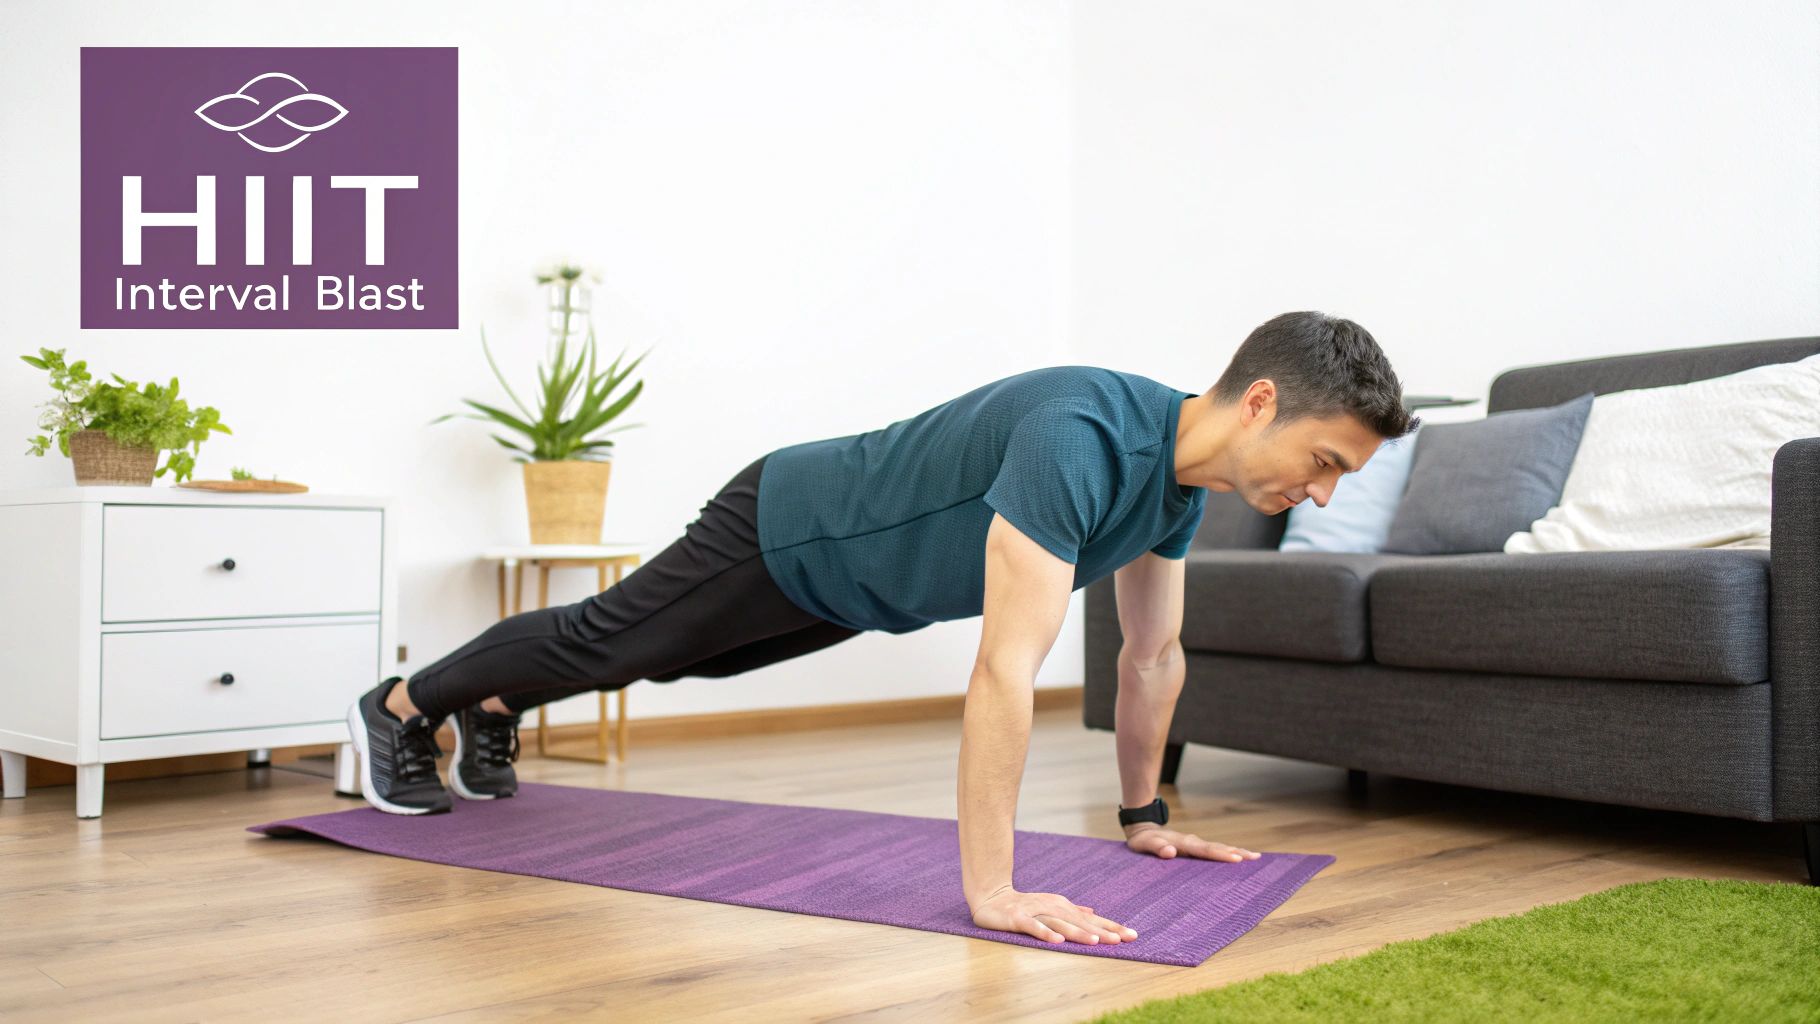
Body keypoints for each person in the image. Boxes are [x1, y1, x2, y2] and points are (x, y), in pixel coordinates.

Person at [346, 309, 1417, 948]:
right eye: (1324, 462)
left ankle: (493, 701)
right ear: (1260, 403)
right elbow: (1004, 671)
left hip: (847, 587)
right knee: (609, 639)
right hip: (788, 523)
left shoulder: (1176, 493)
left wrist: (1144, 814)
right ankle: (399, 707)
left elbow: (1152, 654)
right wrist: (991, 889)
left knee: (669, 663)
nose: (1322, 492)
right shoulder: (1084, 435)